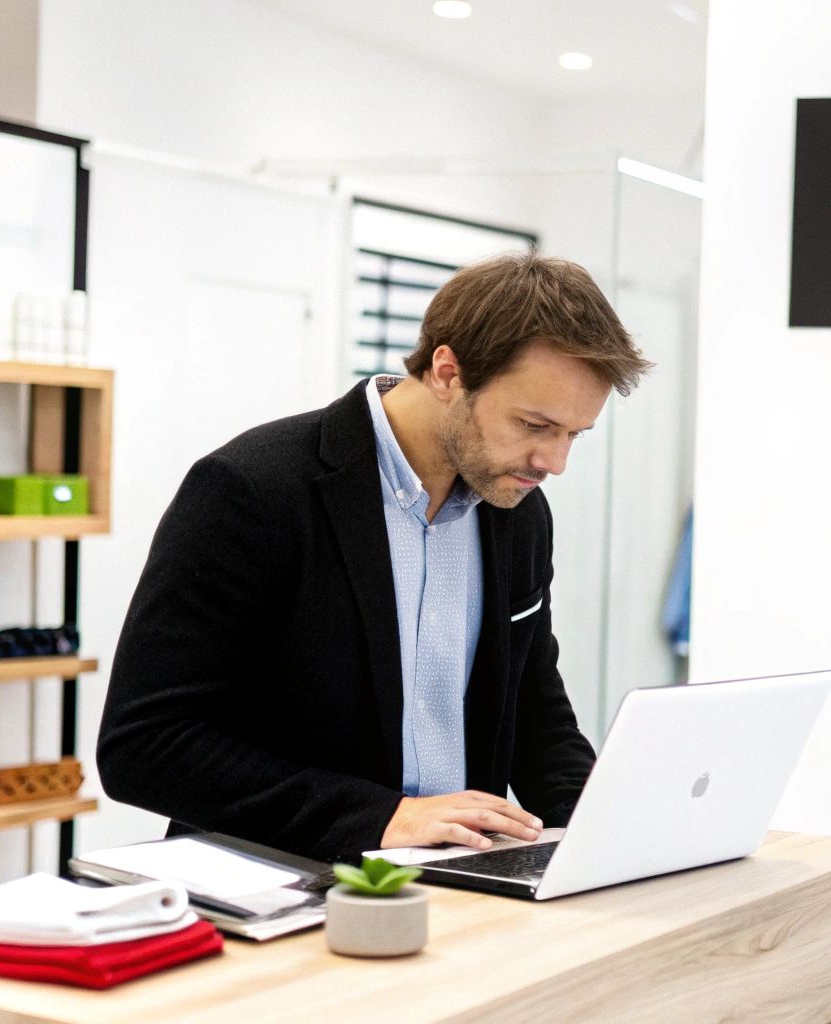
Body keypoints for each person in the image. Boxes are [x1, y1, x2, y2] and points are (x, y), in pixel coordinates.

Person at [97, 252, 651, 862]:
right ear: (447, 372)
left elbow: (532, 706)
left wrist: (609, 836)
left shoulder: (518, 509)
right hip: (288, 880)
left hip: (462, 884)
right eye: (533, 424)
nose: (554, 462)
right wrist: (384, 817)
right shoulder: (253, 489)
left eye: (574, 434)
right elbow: (144, 747)